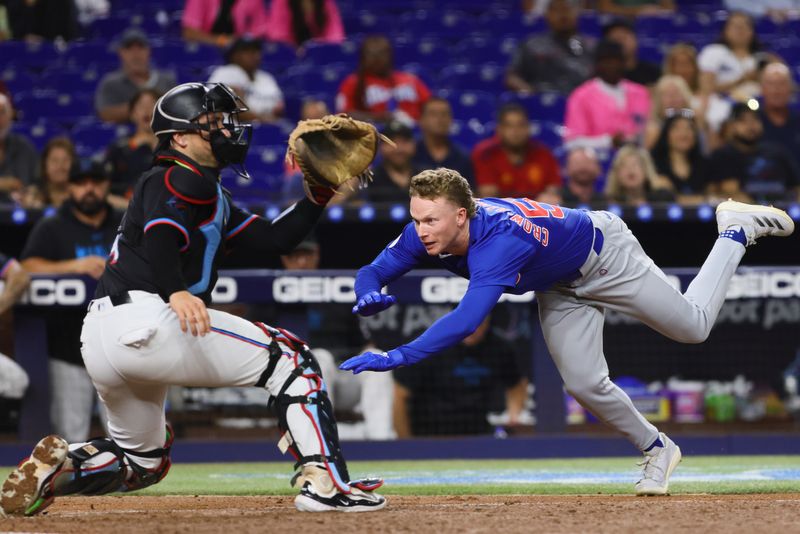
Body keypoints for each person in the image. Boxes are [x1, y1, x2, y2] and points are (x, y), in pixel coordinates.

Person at [0, 82, 385, 517]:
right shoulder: (179, 174)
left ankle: (64, 465)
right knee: (291, 359)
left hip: (104, 337)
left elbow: (277, 237)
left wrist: (317, 194)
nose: (225, 130)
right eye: (212, 124)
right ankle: (326, 484)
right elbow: (162, 232)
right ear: (180, 137)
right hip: (151, 316)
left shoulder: (206, 191)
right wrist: (176, 290)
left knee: (143, 461)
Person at [338, 166, 795, 496]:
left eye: (430, 220)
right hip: (557, 285)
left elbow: (466, 320)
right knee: (582, 383)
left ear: (462, 215)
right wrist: (366, 292)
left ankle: (734, 231)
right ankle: (658, 449)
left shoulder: (497, 242)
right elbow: (373, 269)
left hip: (605, 258)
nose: (420, 231)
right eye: (416, 219)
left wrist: (395, 356)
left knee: (693, 326)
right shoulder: (427, 232)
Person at [20, 160, 121, 443]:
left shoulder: (126, 224)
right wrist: (73, 265)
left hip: (120, 346)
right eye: (81, 183)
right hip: (67, 347)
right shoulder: (52, 225)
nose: (89, 189)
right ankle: (73, 486)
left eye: (95, 182)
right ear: (70, 188)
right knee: (70, 435)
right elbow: (27, 265)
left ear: (105, 185)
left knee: (127, 434)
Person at [278, 239, 395, 440]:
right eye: (294, 257)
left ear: (316, 255)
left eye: (306, 255)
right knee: (318, 357)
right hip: (300, 381)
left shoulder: (335, 290)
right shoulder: (271, 297)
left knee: (376, 357)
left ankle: (380, 441)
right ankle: (320, 442)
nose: (301, 262)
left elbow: (364, 341)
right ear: (284, 259)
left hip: (345, 374)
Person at [393, 315, 527, 437]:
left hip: (477, 431)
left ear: (488, 322)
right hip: (430, 432)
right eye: (466, 324)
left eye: (479, 323)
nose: (473, 330)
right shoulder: (428, 345)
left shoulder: (499, 347)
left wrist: (513, 417)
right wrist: (406, 443)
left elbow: (516, 385)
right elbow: (400, 395)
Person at [564, 40, 651, 149]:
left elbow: (650, 130)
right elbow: (572, 142)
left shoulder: (641, 93)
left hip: (637, 158)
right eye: (606, 62)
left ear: (623, 63)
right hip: (598, 160)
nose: (612, 66)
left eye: (616, 61)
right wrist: (608, 141)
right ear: (597, 65)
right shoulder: (581, 96)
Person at [709, 101, 800, 202]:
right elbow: (717, 193)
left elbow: (796, 186)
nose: (750, 125)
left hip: (783, 211)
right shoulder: (722, 156)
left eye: (755, 119)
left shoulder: (778, 152)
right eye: (743, 121)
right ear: (732, 126)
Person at [471, 103, 562, 199]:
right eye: (509, 126)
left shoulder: (544, 154)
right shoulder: (485, 154)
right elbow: (488, 197)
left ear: (528, 128)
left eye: (521, 125)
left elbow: (553, 191)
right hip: (499, 212)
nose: (515, 131)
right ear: (499, 129)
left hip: (536, 212)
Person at [336, 35, 431, 126]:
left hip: (414, 134)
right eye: (371, 54)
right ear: (363, 57)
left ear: (390, 55)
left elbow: (431, 107)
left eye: (381, 53)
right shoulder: (353, 82)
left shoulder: (410, 80)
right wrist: (382, 118)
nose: (377, 58)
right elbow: (343, 116)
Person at [505, 0, 595, 95]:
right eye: (557, 10)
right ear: (547, 14)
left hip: (583, 101)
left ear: (577, 12)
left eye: (567, 9)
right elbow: (512, 77)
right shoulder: (532, 45)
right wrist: (530, 95)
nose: (563, 15)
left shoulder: (592, 46)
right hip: (541, 100)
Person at [95, 29, 177, 124]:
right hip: (123, 136)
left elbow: (177, 109)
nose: (135, 54)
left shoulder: (166, 80)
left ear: (148, 51)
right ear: (121, 52)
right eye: (129, 48)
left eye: (140, 47)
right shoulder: (111, 83)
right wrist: (145, 106)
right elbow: (105, 113)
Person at [662, 44, 731, 150]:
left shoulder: (708, 97)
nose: (683, 70)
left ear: (695, 68)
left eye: (687, 64)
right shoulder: (662, 94)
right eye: (678, 64)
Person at [103, 89, 160, 209]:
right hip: (127, 212)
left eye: (152, 105)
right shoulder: (119, 149)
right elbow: (103, 191)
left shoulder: (175, 144)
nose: (147, 110)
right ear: (132, 114)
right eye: (141, 106)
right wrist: (130, 208)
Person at [208, 35, 284, 122]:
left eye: (256, 50)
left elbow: (280, 109)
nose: (253, 55)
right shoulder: (227, 72)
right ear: (234, 55)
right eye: (247, 51)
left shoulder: (266, 77)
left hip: (262, 127)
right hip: (231, 130)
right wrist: (264, 119)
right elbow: (237, 110)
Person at [698, 12, 763, 101]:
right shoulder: (713, 52)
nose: (740, 30)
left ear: (752, 31)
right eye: (735, 26)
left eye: (745, 26)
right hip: (720, 106)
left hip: (755, 107)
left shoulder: (761, 58)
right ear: (725, 31)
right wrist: (742, 80)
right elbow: (706, 88)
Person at [650, 110, 710, 204]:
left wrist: (675, 197)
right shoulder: (653, 164)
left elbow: (714, 196)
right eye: (676, 128)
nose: (684, 134)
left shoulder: (705, 164)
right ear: (666, 134)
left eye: (689, 128)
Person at [413, 97, 474, 186]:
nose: (440, 119)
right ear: (421, 120)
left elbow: (470, 193)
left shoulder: (461, 157)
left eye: (444, 114)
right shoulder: (411, 153)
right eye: (433, 114)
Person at [363, 120, 422, 204]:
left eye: (404, 141)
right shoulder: (369, 179)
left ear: (413, 145)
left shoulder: (425, 177)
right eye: (391, 142)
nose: (399, 149)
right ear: (380, 146)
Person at [758, 62, 800, 170]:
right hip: (759, 184)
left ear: (791, 89)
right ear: (762, 89)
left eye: (782, 84)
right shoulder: (751, 124)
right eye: (771, 84)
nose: (776, 90)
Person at [181, 0, 270, 48]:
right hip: (206, 49)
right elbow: (189, 32)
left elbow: (259, 31)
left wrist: (242, 41)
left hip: (238, 51)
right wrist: (222, 41)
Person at [0, 93, 38, 203]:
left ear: (10, 115)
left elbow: (36, 183)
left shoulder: (24, 147)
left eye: (2, 112)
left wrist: (32, 192)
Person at [604, 145, 674, 205]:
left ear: (646, 171)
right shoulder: (607, 204)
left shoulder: (663, 199)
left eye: (635, 164)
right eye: (624, 165)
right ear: (616, 174)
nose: (630, 169)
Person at [602, 18, 661, 87]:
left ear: (636, 40)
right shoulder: (601, 76)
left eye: (624, 37)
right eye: (615, 39)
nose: (620, 42)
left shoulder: (654, 73)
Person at [21, 137, 76, 209]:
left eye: (65, 160)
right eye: (54, 160)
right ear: (44, 164)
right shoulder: (32, 195)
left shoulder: (81, 196)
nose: (60, 166)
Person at [644, 75, 696, 149]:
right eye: (667, 94)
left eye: (677, 93)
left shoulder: (694, 125)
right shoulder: (653, 130)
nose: (672, 98)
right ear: (659, 100)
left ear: (685, 98)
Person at [265, 0, 345, 48]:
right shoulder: (281, 2)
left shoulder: (326, 3)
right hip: (292, 58)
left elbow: (335, 35)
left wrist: (315, 48)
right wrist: (296, 50)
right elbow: (277, 36)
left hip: (319, 56)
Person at [596, 0, 674, 16]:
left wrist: (657, 11)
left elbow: (669, 9)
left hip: (650, 24)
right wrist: (637, 12)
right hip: (618, 23)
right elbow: (604, 8)